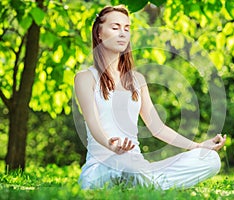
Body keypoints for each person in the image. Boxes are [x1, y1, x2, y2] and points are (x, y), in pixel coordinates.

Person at [74, 5, 226, 190]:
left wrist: (197, 146)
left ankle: (147, 184)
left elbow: (157, 128)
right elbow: (93, 121)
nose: (122, 33)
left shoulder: (137, 80)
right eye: (115, 27)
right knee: (127, 164)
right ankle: (152, 185)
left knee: (210, 159)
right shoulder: (85, 78)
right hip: (102, 167)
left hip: (138, 166)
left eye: (127, 28)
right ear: (99, 32)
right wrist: (110, 145)